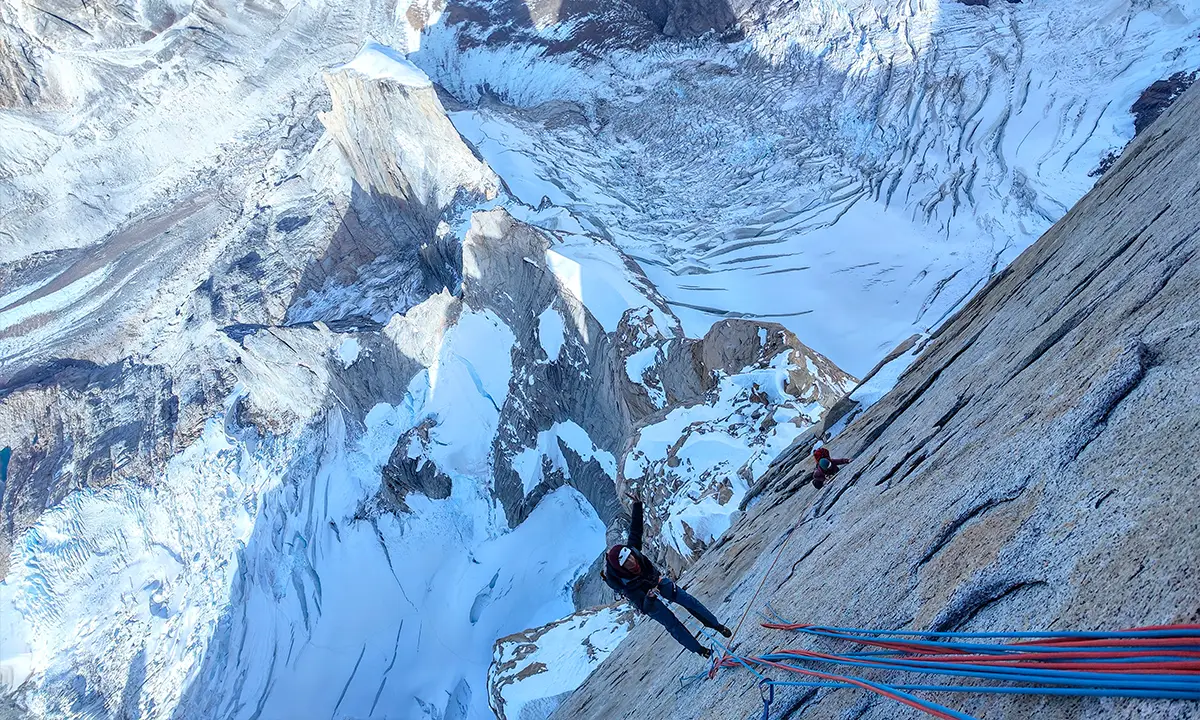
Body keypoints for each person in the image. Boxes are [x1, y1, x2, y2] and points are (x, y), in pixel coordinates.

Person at [602, 493, 731, 658]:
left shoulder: (631, 550)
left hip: (655, 580)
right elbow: (643, 606)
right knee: (671, 623)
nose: (632, 562)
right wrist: (649, 597)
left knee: (688, 600)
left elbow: (635, 530)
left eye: (631, 557)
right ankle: (700, 650)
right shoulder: (625, 584)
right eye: (627, 562)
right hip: (645, 597)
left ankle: (717, 625)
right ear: (621, 567)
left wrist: (637, 505)